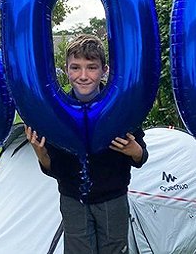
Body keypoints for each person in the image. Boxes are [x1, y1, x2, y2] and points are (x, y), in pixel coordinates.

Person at [26, 34, 148, 254]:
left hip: (113, 199)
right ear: (66, 69)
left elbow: (141, 157)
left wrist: (135, 150)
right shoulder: (56, 110)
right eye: (75, 68)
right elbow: (54, 169)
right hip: (73, 200)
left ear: (104, 70)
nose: (83, 76)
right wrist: (40, 153)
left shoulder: (119, 106)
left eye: (91, 68)